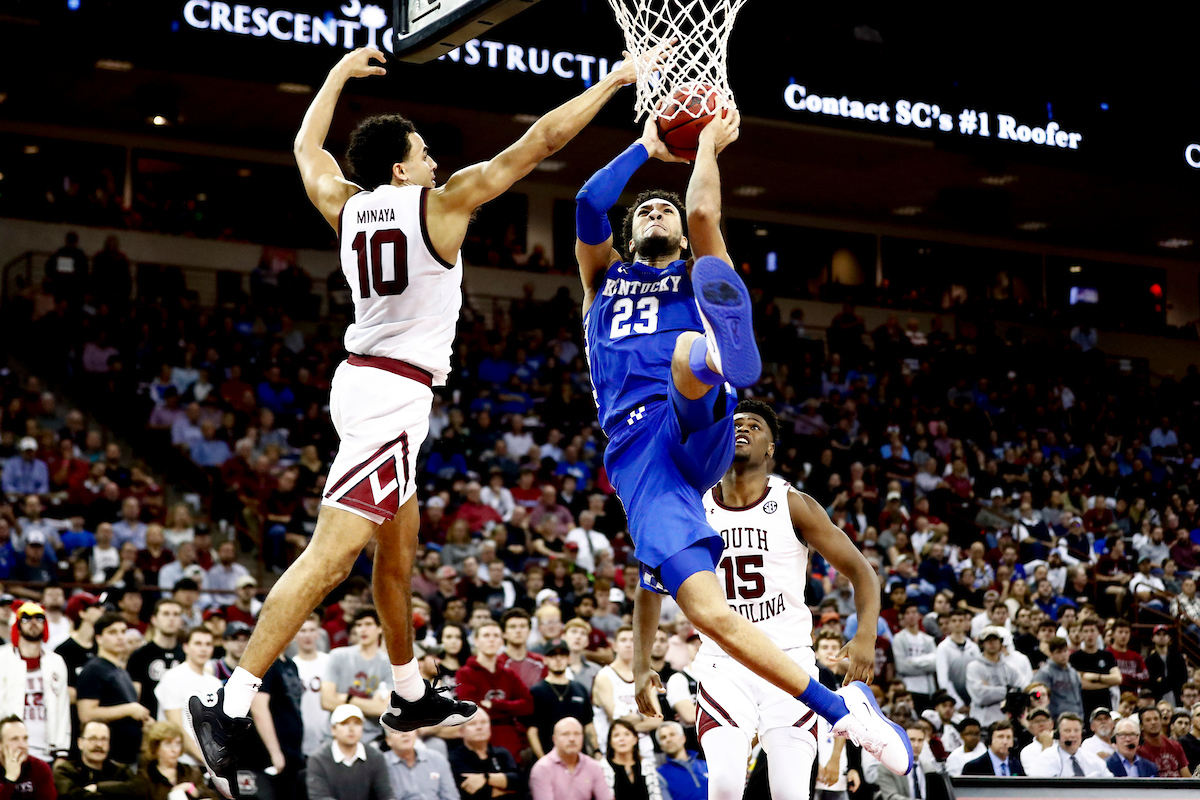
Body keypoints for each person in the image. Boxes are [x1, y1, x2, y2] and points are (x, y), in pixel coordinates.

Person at [188, 42, 655, 799]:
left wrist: (337, 75)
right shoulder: (440, 206)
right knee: (333, 558)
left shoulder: (344, 203)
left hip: (370, 384)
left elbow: (307, 147)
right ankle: (228, 699)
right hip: (390, 398)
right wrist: (610, 80)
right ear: (402, 169)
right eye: (424, 152)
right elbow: (540, 143)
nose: (435, 161)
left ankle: (408, 695)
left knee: (395, 561)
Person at [574, 94, 910, 778]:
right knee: (710, 614)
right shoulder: (601, 280)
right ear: (631, 235)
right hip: (645, 460)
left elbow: (702, 212)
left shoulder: (690, 270)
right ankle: (848, 711)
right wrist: (646, 145)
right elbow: (586, 200)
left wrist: (703, 149)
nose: (656, 212)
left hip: (697, 417)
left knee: (688, 349)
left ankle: (720, 359)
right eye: (645, 212)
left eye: (659, 206)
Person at [690, 400, 897, 800]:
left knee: (789, 792)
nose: (743, 428)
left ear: (770, 448)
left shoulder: (793, 503)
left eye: (754, 425)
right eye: (735, 423)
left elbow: (862, 571)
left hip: (789, 660)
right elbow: (649, 582)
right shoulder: (696, 506)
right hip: (723, 662)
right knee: (726, 788)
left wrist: (866, 633)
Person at [454, 619, 533, 763]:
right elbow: (470, 708)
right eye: (486, 636)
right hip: (480, 736)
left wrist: (496, 705)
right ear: (476, 641)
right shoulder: (464, 673)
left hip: (509, 736)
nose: (491, 640)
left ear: (502, 641)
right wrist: (510, 707)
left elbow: (527, 705)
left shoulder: (508, 673)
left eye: (496, 636)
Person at [0, 602, 70, 763]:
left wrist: (62, 751)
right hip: (7, 751)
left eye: (39, 618)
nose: (33, 622)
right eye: (26, 618)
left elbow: (63, 708)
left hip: (47, 751)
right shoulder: (2, 658)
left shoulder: (56, 662)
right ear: (17, 626)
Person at [77, 613, 149, 766]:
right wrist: (129, 709)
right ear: (99, 638)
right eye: (112, 632)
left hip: (129, 756)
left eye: (123, 632)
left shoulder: (121, 670)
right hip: (109, 758)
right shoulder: (93, 670)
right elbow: (86, 714)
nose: (120, 637)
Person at [154, 627, 221, 765]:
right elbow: (176, 727)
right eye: (197, 643)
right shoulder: (173, 677)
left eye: (208, 644)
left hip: (213, 763)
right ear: (186, 647)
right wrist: (207, 761)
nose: (203, 649)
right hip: (181, 761)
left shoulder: (216, 683)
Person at [592, 627, 661, 761]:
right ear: (615, 646)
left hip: (644, 751)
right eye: (623, 640)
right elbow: (616, 718)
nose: (629, 644)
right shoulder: (604, 676)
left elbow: (657, 719)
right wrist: (642, 718)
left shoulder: (645, 676)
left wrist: (632, 721)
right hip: (613, 752)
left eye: (633, 640)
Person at [528, 642, 598, 760]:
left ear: (569, 659)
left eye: (563, 655)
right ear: (545, 660)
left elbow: (588, 725)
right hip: (548, 756)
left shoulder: (580, 689)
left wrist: (596, 751)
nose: (558, 659)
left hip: (578, 758)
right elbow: (532, 731)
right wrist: (543, 760)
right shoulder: (536, 692)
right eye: (552, 656)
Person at [306, 704, 391, 800]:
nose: (351, 729)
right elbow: (319, 797)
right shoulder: (318, 759)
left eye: (357, 723)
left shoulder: (376, 757)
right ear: (333, 730)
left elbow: (386, 795)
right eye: (344, 723)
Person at [124, 720, 221, 799]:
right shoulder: (145, 777)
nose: (175, 750)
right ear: (156, 748)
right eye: (168, 744)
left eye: (178, 744)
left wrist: (193, 790)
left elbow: (210, 796)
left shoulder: (191, 772)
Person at [128, 598, 185, 721]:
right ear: (154, 620)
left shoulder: (186, 655)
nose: (171, 619)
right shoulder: (139, 656)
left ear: (181, 622)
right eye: (165, 614)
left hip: (180, 724)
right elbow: (133, 698)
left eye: (176, 615)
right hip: (149, 724)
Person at [530, 717, 612, 800]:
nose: (572, 739)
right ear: (554, 739)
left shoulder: (593, 766)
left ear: (582, 738)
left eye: (576, 734)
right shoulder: (542, 768)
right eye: (566, 734)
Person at [448, 711, 523, 800]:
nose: (479, 727)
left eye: (483, 722)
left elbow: (520, 782)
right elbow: (474, 793)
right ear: (461, 731)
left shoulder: (502, 753)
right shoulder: (455, 757)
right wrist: (505, 787)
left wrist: (486, 778)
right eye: (472, 724)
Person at [51, 720, 136, 799]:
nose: (99, 744)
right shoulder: (65, 771)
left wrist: (97, 787)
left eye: (104, 739)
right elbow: (69, 796)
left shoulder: (121, 771)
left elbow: (135, 790)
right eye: (93, 739)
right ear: (80, 743)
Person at [966, 627, 1023, 726]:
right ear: (982, 643)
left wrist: (990, 689)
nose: (992, 643)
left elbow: (1019, 693)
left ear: (1000, 643)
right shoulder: (974, 667)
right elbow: (980, 696)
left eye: (995, 640)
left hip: (1006, 722)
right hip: (983, 722)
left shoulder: (1010, 668)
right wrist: (1007, 690)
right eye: (988, 640)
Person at [294, 616, 332, 756]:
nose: (307, 635)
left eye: (311, 630)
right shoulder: (291, 666)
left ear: (318, 633)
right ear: (295, 635)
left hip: (329, 734)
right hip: (301, 738)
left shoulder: (329, 662)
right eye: (302, 631)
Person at [383, 728, 458, 800]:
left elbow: (450, 796)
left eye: (408, 729)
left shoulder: (436, 758)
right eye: (397, 731)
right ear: (388, 740)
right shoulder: (382, 764)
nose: (405, 734)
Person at [876, 724, 947, 800]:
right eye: (912, 740)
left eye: (920, 740)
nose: (916, 745)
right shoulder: (887, 768)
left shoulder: (930, 769)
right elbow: (890, 797)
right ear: (902, 740)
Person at [1028, 713, 1110, 777]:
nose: (1073, 735)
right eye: (1067, 731)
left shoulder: (1093, 760)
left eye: (1076, 730)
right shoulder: (1046, 760)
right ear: (1058, 735)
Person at [1069, 619, 1121, 718]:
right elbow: (1081, 684)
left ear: (1098, 633)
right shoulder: (1075, 658)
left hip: (1105, 703)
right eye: (1086, 631)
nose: (1089, 635)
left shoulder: (1107, 655)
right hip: (1083, 704)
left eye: (1092, 631)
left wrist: (1096, 677)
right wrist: (1107, 683)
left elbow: (1118, 678)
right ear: (1081, 634)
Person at [893, 603, 938, 712]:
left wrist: (914, 662)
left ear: (919, 615)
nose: (911, 616)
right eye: (908, 613)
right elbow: (902, 667)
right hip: (909, 688)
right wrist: (926, 663)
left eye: (914, 612)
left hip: (928, 689)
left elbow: (936, 664)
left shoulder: (928, 639)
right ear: (903, 617)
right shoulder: (898, 639)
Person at [0, 716, 55, 798]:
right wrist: (10, 779)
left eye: (25, 738)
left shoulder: (40, 768)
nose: (22, 745)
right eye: (14, 739)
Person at [935, 609, 979, 712]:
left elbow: (978, 676)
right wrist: (958, 704)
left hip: (974, 701)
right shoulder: (943, 648)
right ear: (949, 624)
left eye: (960, 620)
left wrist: (974, 701)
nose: (957, 624)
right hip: (954, 704)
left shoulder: (973, 647)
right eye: (954, 621)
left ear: (966, 623)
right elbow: (943, 680)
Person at [1032, 637, 1084, 719]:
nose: (1063, 655)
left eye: (1065, 651)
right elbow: (1039, 699)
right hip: (1056, 718)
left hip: (1077, 716)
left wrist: (1081, 715)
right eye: (1059, 652)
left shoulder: (1073, 672)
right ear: (1051, 654)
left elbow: (1079, 698)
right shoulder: (1044, 673)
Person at [496, 608, 547, 689]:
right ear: (504, 633)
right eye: (513, 627)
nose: (518, 630)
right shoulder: (496, 663)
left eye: (522, 626)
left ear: (529, 631)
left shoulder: (541, 662)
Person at [1136, 707, 1191, 777]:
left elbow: (1186, 776)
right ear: (1141, 726)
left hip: (1178, 787)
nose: (1153, 722)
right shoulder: (1139, 751)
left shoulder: (1175, 746)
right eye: (1148, 720)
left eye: (1156, 719)